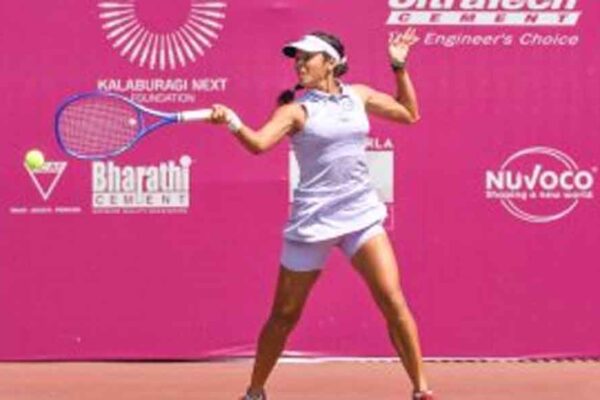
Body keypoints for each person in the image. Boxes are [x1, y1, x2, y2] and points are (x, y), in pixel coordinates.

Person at [208, 27, 433, 400]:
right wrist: (232, 121)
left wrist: (398, 67)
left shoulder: (358, 96)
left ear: (330, 63)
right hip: (312, 223)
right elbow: (258, 144)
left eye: (306, 57)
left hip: (360, 215)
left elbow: (410, 113)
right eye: (296, 58)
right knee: (284, 316)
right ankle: (255, 391)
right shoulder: (295, 111)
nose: (299, 64)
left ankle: (421, 390)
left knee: (393, 301)